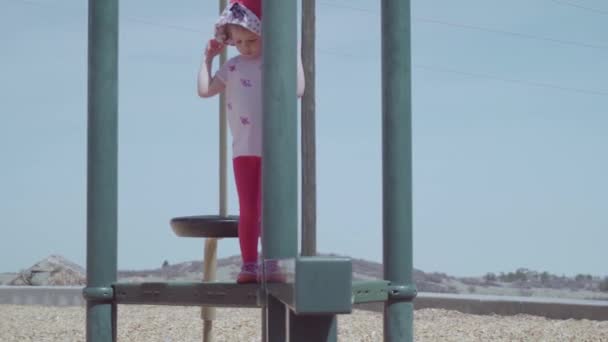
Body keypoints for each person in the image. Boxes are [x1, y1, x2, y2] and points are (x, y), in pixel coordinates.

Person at [197, 0, 305, 283]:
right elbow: (205, 90)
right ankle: (249, 264)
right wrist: (206, 59)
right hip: (244, 151)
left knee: (271, 207)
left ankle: (271, 264)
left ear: (265, 36)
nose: (245, 47)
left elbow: (298, 88)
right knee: (248, 208)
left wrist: (293, 51)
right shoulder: (232, 67)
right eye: (239, 41)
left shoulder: (274, 65)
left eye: (252, 40)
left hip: (274, 150)